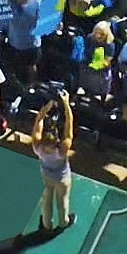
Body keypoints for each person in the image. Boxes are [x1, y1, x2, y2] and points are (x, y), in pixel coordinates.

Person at [33, 90, 76, 231]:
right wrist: (66, 104)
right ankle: (63, 222)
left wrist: (48, 106)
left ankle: (47, 225)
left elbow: (39, 119)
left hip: (46, 176)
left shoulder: (37, 146)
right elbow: (69, 124)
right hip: (62, 178)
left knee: (47, 201)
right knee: (62, 200)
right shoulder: (61, 150)